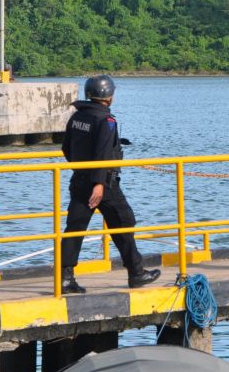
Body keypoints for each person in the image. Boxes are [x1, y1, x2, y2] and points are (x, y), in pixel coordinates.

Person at [59, 75, 161, 295]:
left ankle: (65, 279)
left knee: (74, 228)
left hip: (79, 180)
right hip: (104, 185)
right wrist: (99, 184)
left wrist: (82, 170)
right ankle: (136, 273)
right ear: (108, 96)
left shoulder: (77, 117)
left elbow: (66, 148)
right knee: (124, 221)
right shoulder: (106, 121)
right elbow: (104, 153)